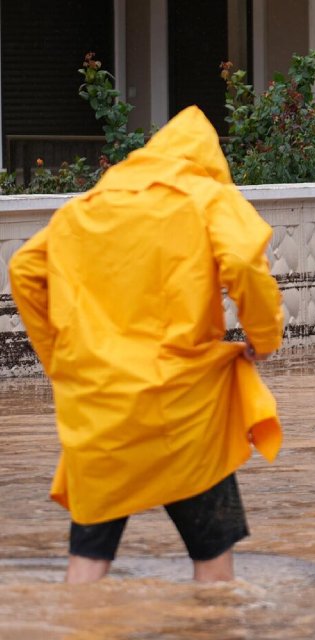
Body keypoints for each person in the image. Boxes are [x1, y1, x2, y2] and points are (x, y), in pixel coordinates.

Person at [7, 106, 285, 583]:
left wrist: (61, 361)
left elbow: (24, 271)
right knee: (211, 553)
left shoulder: (88, 206)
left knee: (90, 559)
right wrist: (263, 338)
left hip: (99, 407)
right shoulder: (207, 197)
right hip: (184, 407)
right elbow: (241, 260)